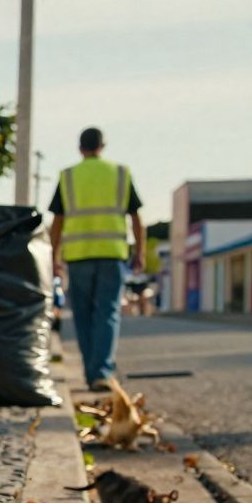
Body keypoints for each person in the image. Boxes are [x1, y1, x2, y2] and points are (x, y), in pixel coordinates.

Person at [49, 127, 144, 391]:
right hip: (112, 255)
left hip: (78, 257)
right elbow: (136, 219)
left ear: (80, 148)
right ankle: (101, 372)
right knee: (107, 314)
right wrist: (140, 252)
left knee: (82, 315)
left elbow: (57, 223)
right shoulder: (120, 174)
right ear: (103, 146)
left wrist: (53, 257)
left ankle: (92, 372)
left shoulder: (68, 177)